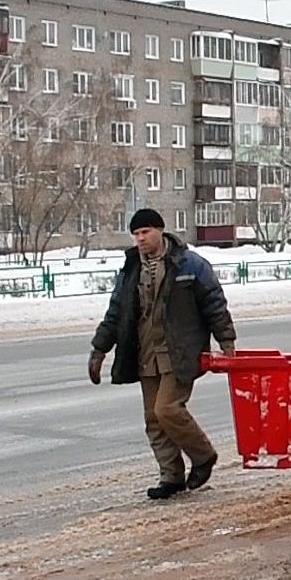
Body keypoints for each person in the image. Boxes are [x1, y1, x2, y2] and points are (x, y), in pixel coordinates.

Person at [89, 209, 237, 499]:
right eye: (136, 234)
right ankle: (171, 476)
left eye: (145, 232)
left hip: (180, 351)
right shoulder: (132, 269)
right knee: (153, 419)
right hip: (146, 352)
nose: (140, 239)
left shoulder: (190, 264)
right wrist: (99, 349)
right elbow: (116, 311)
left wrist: (226, 341)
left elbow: (214, 304)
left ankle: (203, 455)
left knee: (167, 409)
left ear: (159, 231)